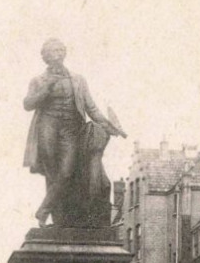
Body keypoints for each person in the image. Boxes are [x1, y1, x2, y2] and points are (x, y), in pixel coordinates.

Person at [23, 38, 125, 228]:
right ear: (45, 56)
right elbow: (27, 104)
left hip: (71, 129)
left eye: (61, 50)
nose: (58, 53)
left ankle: (43, 211)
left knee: (67, 172)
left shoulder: (78, 80)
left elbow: (90, 107)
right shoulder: (38, 80)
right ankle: (60, 220)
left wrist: (108, 125)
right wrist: (46, 89)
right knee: (52, 174)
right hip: (48, 127)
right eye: (53, 51)